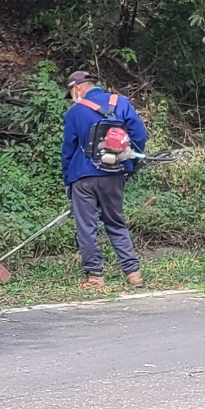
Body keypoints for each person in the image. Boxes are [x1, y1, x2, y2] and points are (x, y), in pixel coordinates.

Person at [60, 69, 150, 292]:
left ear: (77, 88)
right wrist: (129, 165)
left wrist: (68, 179)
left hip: (83, 176)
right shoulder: (120, 102)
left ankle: (95, 277)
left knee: (86, 227)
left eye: (71, 94)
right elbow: (139, 136)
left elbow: (68, 150)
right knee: (115, 222)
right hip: (115, 173)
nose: (72, 98)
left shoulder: (74, 113)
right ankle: (133, 274)